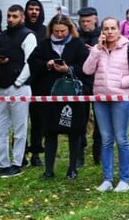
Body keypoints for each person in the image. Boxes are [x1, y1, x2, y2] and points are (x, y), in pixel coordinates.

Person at [82, 17, 129, 193]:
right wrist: (96, 50)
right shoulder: (98, 49)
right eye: (106, 29)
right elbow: (87, 70)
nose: (109, 32)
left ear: (119, 30)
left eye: (112, 28)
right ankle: (107, 178)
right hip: (101, 99)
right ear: (102, 31)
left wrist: (122, 82)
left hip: (120, 99)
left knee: (121, 139)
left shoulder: (128, 47)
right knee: (106, 139)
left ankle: (125, 179)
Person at [28, 15, 89, 180]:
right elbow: (32, 61)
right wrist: (46, 65)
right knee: (49, 132)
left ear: (69, 29)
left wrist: (68, 69)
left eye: (63, 31)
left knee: (74, 132)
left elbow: (86, 66)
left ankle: (73, 168)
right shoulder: (45, 44)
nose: (60, 34)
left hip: (72, 95)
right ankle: (48, 170)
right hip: (50, 95)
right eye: (56, 31)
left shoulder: (77, 44)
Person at [0, 4, 37, 178]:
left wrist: (18, 82)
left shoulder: (28, 36)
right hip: (1, 87)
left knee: (19, 128)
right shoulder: (2, 35)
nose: (10, 19)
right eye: (9, 16)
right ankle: (3, 164)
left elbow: (31, 62)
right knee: (0, 128)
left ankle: (16, 163)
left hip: (20, 88)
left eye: (14, 16)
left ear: (22, 17)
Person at [76, 6, 103, 166]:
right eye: (83, 21)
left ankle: (98, 154)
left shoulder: (103, 35)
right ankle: (79, 155)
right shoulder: (76, 37)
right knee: (81, 121)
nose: (85, 24)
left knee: (100, 122)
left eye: (88, 21)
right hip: (82, 83)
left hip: (99, 83)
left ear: (95, 19)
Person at [24, 0, 47, 167]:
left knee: (38, 120)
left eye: (36, 9)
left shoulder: (45, 32)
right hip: (22, 82)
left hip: (39, 81)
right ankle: (21, 152)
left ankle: (36, 153)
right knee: (21, 120)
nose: (33, 12)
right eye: (31, 9)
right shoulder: (21, 30)